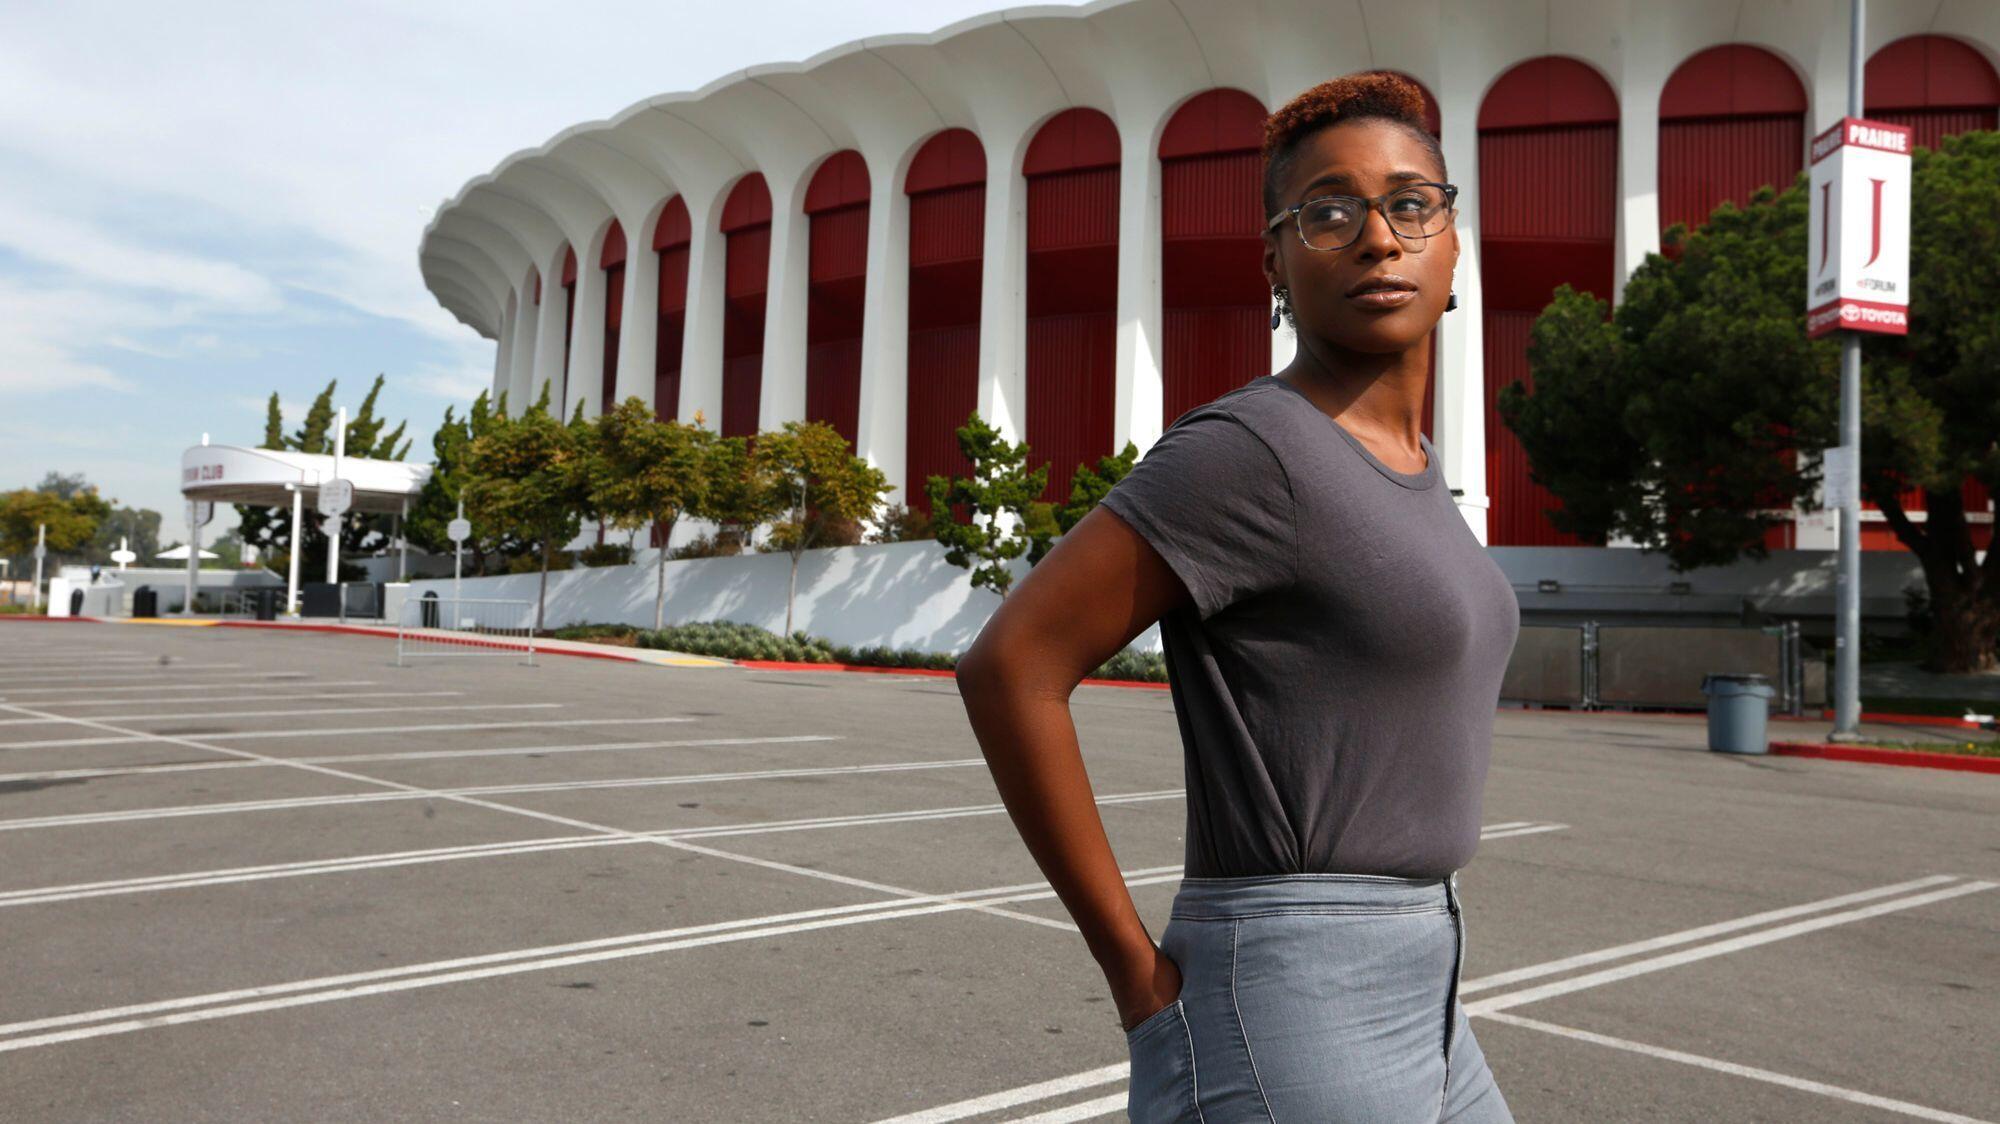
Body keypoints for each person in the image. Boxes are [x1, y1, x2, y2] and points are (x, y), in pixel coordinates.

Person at [952, 71, 1519, 1122]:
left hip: (1429, 976)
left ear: (1452, 244)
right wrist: (1136, 977)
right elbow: (1010, 666)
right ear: (1274, 262)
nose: (1376, 237)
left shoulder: (1412, 464)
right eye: (1327, 211)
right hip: (1290, 988)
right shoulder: (1249, 452)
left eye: (1408, 203)